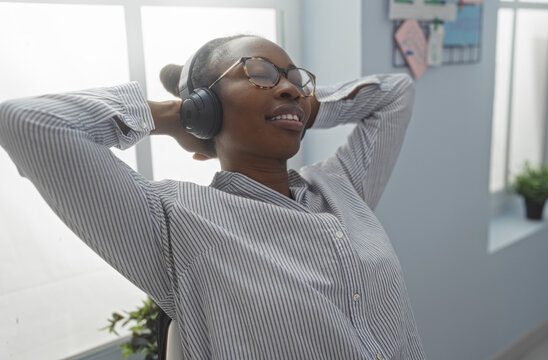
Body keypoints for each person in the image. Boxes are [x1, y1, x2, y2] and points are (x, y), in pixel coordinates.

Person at [0, 35, 425, 359]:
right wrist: (173, 115)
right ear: (206, 109)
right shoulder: (174, 221)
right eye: (259, 73)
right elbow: (29, 122)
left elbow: (394, 93)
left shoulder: (340, 187)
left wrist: (303, 104)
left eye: (295, 80)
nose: (290, 88)